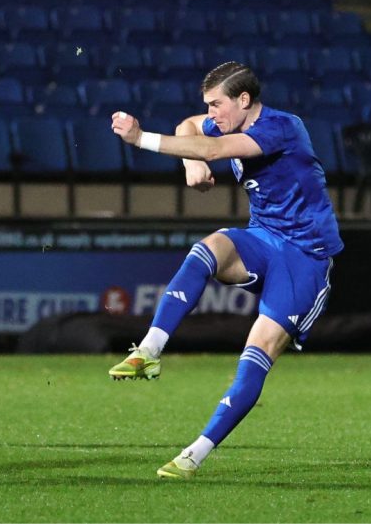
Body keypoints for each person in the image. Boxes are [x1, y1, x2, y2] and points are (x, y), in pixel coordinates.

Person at [108, 61, 343, 478]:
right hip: (265, 237)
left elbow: (214, 150)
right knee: (208, 248)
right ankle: (149, 350)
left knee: (257, 353)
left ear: (244, 101)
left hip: (305, 256)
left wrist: (140, 138)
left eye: (217, 104)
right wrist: (189, 164)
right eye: (209, 105)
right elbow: (189, 126)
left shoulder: (280, 128)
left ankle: (194, 454)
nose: (212, 113)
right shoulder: (227, 121)